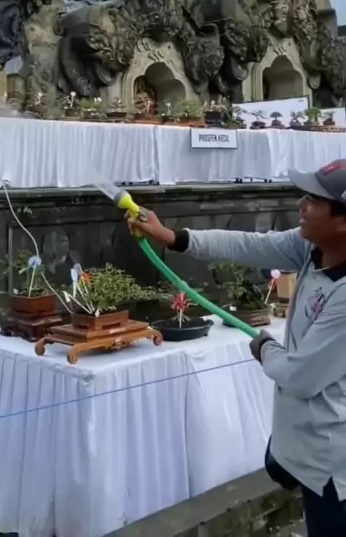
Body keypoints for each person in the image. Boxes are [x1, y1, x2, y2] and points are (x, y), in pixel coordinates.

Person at [127, 160, 346, 537]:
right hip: (311, 445)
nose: (301, 205)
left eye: (314, 200)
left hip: (334, 464)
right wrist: (174, 237)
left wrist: (265, 349)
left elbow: (301, 376)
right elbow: (251, 245)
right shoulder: (312, 247)